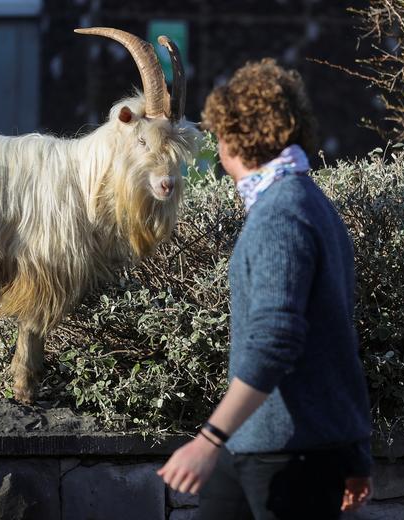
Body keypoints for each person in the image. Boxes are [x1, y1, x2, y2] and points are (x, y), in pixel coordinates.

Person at [157, 59, 373, 519]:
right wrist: (356, 454)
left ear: (237, 137)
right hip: (261, 448)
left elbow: (277, 339)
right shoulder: (312, 204)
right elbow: (338, 341)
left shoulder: (282, 213)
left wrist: (208, 439)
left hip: (287, 456)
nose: (217, 148)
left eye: (218, 135)